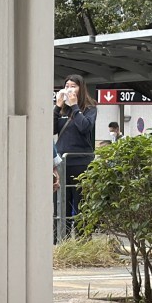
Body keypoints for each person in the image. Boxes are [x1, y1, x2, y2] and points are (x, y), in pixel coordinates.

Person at [53, 74, 97, 235]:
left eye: (73, 86)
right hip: (61, 163)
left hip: (80, 162)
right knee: (60, 203)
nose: (69, 89)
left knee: (80, 202)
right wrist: (57, 107)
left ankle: (81, 239)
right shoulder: (62, 109)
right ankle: (58, 239)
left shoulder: (90, 108)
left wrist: (74, 107)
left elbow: (85, 127)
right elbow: (51, 129)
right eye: (67, 85)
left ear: (81, 88)